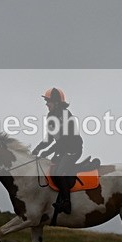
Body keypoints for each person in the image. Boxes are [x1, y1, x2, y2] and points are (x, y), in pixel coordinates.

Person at [32, 87, 83, 215]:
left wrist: (47, 152)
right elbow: (49, 139)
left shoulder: (66, 115)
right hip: (62, 150)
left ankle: (66, 203)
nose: (46, 104)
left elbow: (64, 141)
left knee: (59, 172)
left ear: (56, 102)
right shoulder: (50, 117)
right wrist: (36, 150)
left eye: (48, 101)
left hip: (73, 150)